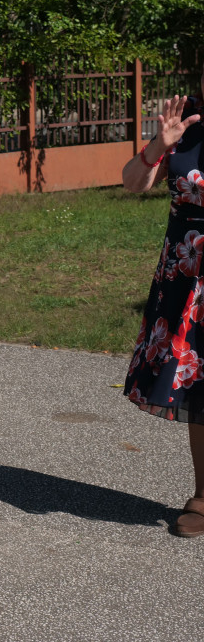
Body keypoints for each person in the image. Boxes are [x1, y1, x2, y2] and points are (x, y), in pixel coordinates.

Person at [122, 74, 204, 537]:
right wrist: (159, 144)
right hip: (186, 274)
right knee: (197, 383)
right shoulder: (185, 118)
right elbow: (132, 181)